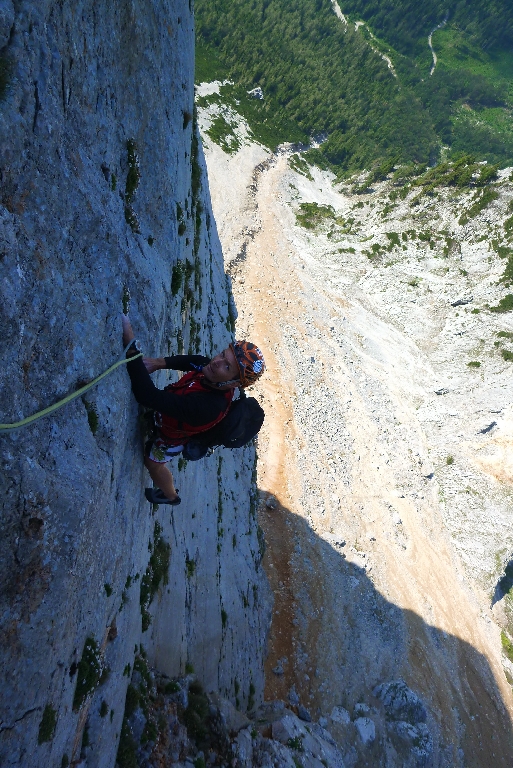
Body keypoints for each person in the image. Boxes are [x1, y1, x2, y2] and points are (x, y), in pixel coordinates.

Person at [122, 315, 265, 505]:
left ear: (235, 383)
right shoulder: (213, 374)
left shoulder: (208, 407)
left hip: (171, 437)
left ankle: (171, 496)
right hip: (171, 416)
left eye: (227, 366)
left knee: (153, 463)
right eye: (223, 354)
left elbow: (147, 396)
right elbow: (195, 361)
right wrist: (159, 363)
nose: (216, 361)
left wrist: (131, 346)